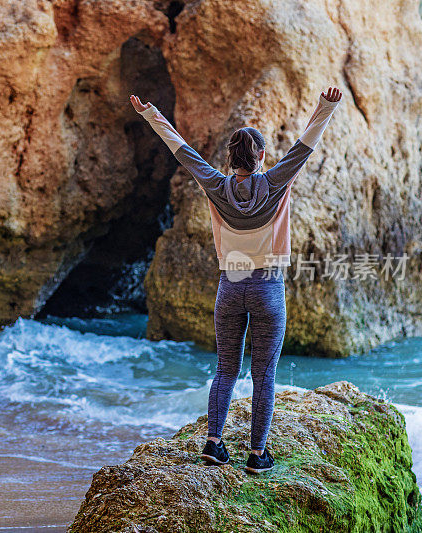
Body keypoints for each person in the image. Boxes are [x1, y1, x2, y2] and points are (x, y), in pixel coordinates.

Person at [130, 87, 342, 474]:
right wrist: (325, 107)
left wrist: (151, 114)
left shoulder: (215, 184)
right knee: (264, 375)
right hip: (267, 288)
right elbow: (305, 144)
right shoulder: (276, 181)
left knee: (225, 370)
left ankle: (214, 443)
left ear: (230, 157)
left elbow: (181, 150)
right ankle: (258, 454)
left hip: (230, 287)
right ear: (261, 155)